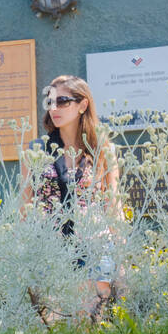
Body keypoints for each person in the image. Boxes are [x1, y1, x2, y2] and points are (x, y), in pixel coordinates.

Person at [20, 74, 121, 319]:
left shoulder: (103, 149)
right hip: (50, 245)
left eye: (63, 101)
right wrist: (21, 248)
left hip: (95, 244)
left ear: (82, 105)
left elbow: (113, 203)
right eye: (50, 101)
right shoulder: (34, 150)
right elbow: (26, 203)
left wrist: (121, 249)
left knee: (89, 323)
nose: (54, 108)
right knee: (53, 324)